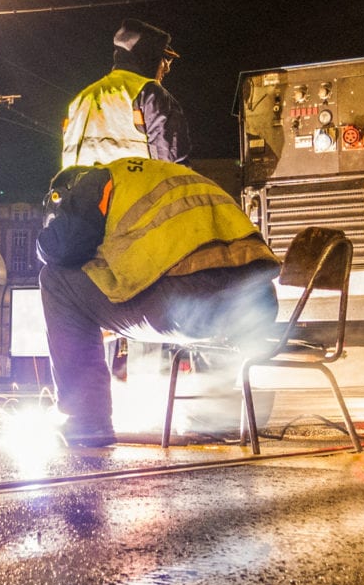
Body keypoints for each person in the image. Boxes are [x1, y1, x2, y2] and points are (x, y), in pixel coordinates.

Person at [38, 157, 281, 446]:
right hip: (259, 305)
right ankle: (217, 417)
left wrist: (44, 238)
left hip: (191, 303)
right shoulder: (166, 175)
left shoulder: (93, 181)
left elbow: (64, 247)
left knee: (55, 279)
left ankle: (87, 423)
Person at [61, 19, 190, 168]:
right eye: (164, 59)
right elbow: (172, 166)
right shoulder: (150, 94)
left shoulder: (81, 99)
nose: (167, 68)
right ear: (148, 55)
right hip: (136, 190)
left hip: (80, 191)